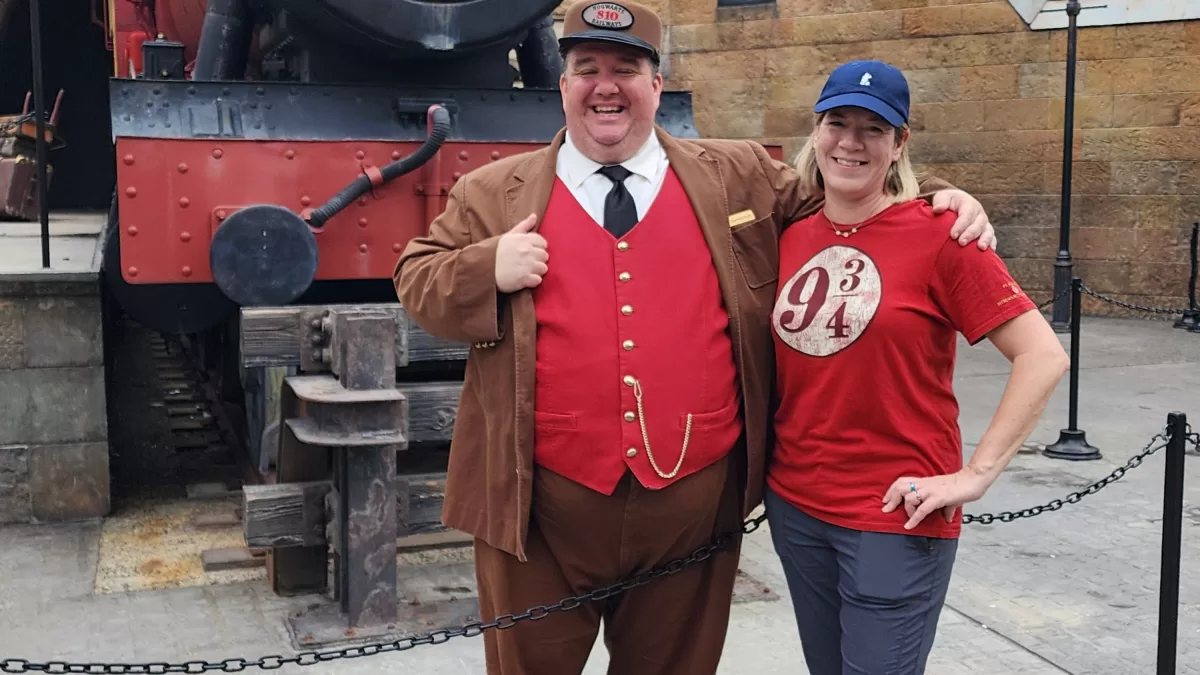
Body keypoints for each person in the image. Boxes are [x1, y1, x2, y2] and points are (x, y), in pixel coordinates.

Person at [393, 2, 996, 673]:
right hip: (539, 516)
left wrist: (938, 196)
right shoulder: (491, 192)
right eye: (586, 68)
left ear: (657, 85)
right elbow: (415, 276)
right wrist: (485, 269)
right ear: (561, 86)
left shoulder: (736, 174)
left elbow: (848, 194)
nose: (606, 85)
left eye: (628, 68)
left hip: (691, 514)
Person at [765, 59, 1070, 675]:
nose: (850, 142)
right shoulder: (788, 232)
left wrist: (975, 474)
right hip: (796, 507)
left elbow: (1042, 355)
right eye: (837, 122)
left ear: (899, 143)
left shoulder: (941, 235)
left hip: (896, 514)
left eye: (873, 129)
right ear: (816, 132)